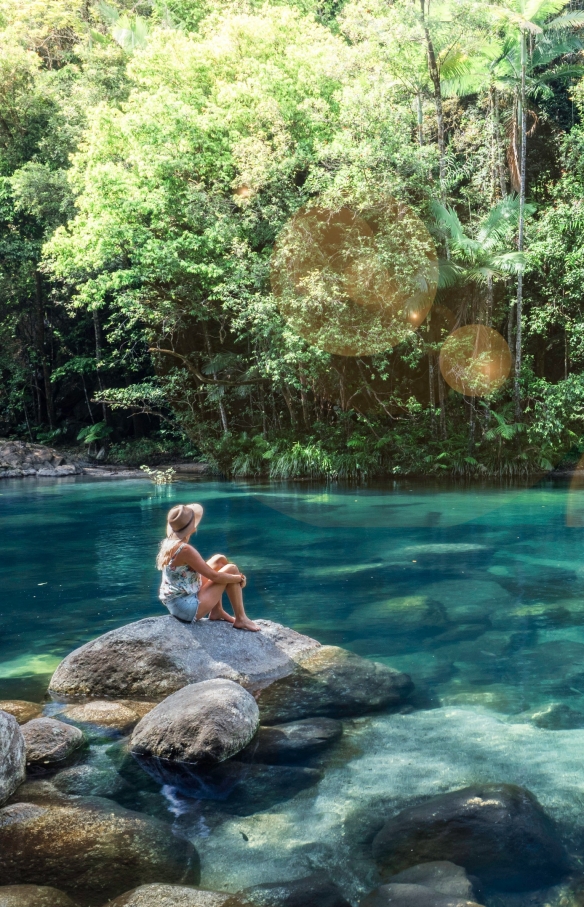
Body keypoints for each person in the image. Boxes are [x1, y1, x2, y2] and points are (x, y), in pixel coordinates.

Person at [156, 502, 259, 632]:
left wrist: (233, 578)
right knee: (231, 569)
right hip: (186, 608)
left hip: (178, 601)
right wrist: (239, 578)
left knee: (219, 560)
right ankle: (241, 618)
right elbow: (214, 576)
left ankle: (217, 612)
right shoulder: (185, 550)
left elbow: (206, 571)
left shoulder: (170, 543)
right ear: (193, 528)